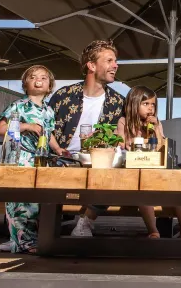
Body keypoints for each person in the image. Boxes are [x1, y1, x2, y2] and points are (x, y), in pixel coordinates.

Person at [47, 40, 125, 237]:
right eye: (109, 60)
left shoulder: (118, 102)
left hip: (98, 162)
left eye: (115, 61)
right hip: (60, 158)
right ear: (91, 66)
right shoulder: (64, 95)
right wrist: (57, 149)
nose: (115, 65)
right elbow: (45, 127)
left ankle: (85, 220)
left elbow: (121, 137)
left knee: (118, 171)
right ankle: (31, 226)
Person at [116, 85, 181, 238]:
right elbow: (122, 145)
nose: (150, 108)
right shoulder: (124, 122)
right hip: (138, 172)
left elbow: (161, 147)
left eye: (153, 105)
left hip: (157, 169)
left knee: (179, 189)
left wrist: (156, 129)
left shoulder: (156, 124)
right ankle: (153, 230)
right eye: (146, 104)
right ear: (134, 104)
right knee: (143, 193)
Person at [0, 65, 56, 253]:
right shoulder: (17, 106)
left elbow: (50, 134)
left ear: (49, 86)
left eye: (44, 78)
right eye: (33, 77)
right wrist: (25, 126)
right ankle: (25, 243)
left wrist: (59, 149)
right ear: (25, 83)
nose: (38, 80)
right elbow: (1, 129)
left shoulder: (49, 110)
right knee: (20, 202)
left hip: (40, 159)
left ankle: (20, 240)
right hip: (20, 157)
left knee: (36, 203)